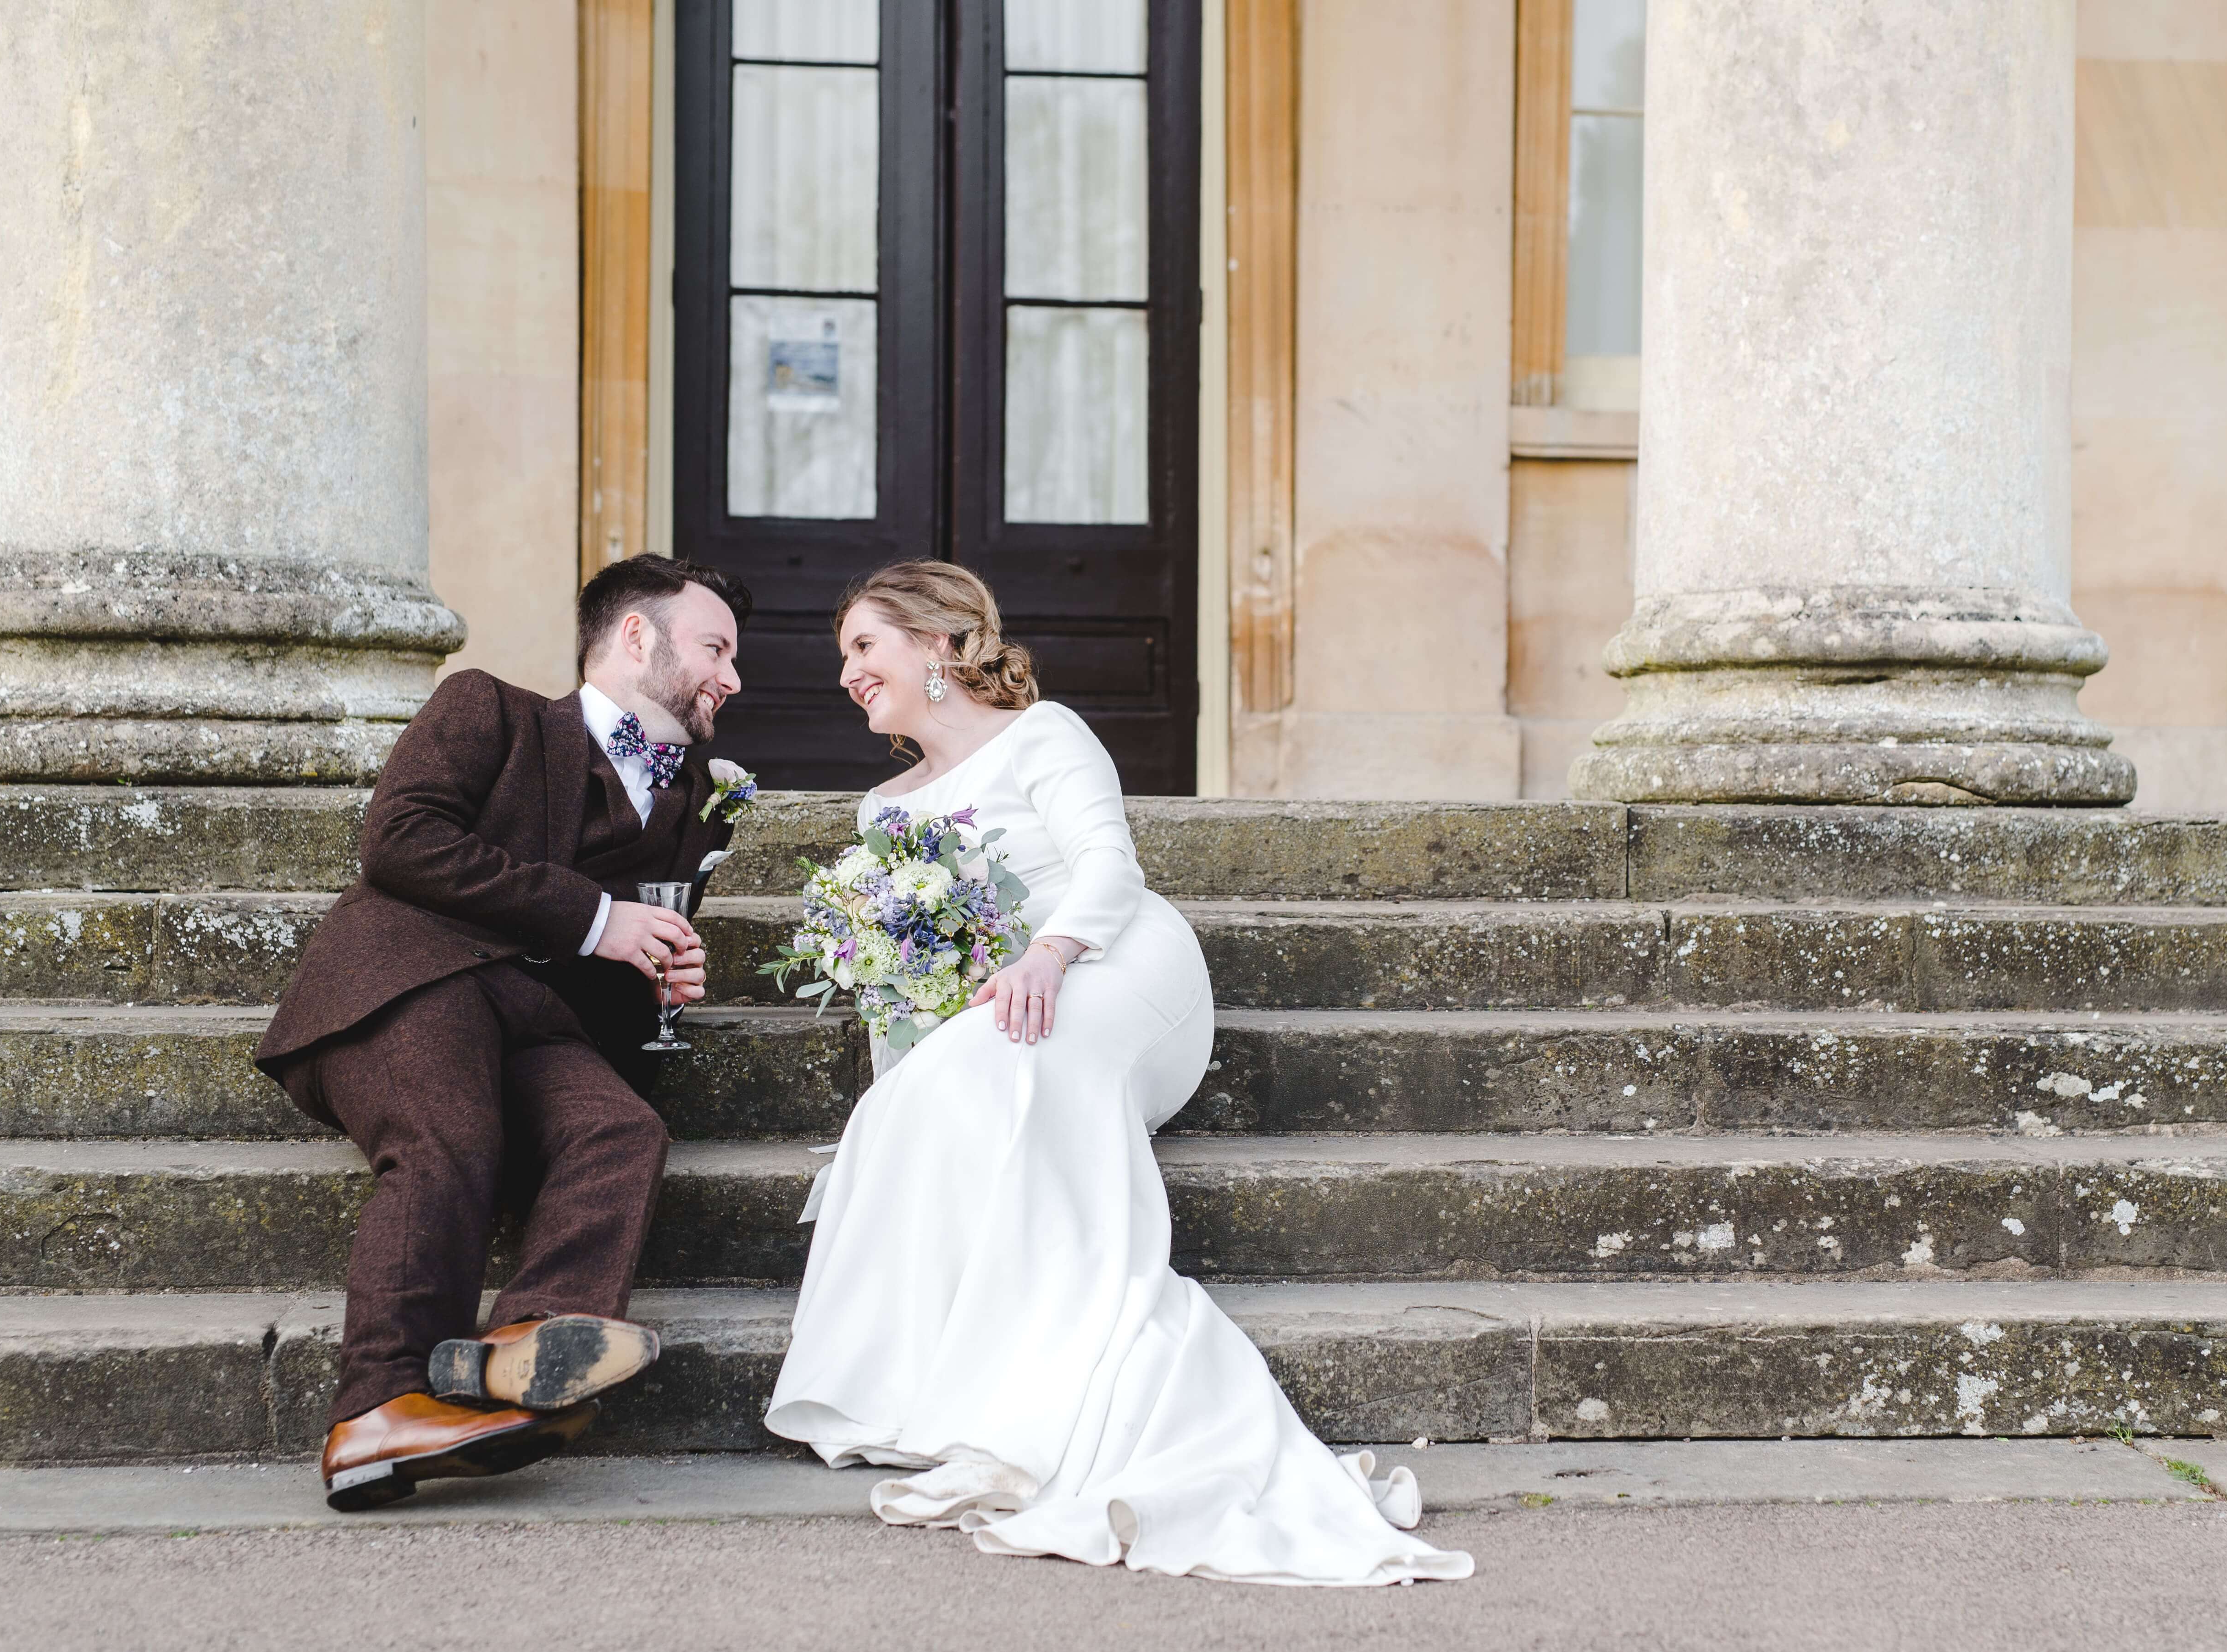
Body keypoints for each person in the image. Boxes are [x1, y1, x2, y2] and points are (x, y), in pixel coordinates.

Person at [763, 560, 1473, 1586]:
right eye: (843, 657)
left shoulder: (1043, 736)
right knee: (942, 1083)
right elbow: (902, 985)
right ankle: (983, 1382)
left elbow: (1109, 866)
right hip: (993, 1003)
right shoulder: (884, 810)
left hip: (1118, 962)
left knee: (1019, 1049)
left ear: (941, 644)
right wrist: (897, 1094)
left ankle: (1093, 1365)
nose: (847, 674)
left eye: (864, 647)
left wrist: (1048, 954)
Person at [255, 554, 751, 1511]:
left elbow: (612, 966)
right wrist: (601, 919)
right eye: (715, 648)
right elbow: (401, 839)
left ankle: (518, 1350)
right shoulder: (488, 707)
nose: (732, 679)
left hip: (536, 1023)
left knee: (619, 1130)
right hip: (409, 976)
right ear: (635, 636)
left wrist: (656, 978)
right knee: (449, 1134)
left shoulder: (694, 796)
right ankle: (376, 1409)